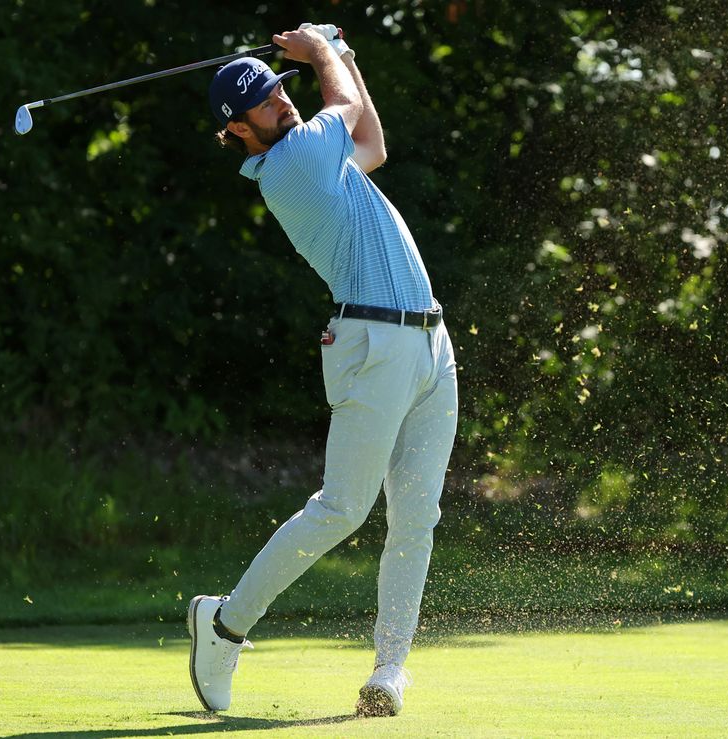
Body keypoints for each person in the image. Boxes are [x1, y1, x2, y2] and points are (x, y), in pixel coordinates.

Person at [187, 24, 458, 718]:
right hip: (372, 342)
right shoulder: (292, 162)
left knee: (416, 516)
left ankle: (390, 668)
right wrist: (321, 52)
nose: (282, 100)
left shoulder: (323, 158)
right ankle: (224, 625)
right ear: (240, 131)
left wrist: (348, 56)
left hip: (430, 343)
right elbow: (340, 107)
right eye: (265, 100)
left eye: (280, 87)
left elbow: (374, 143)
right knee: (343, 506)